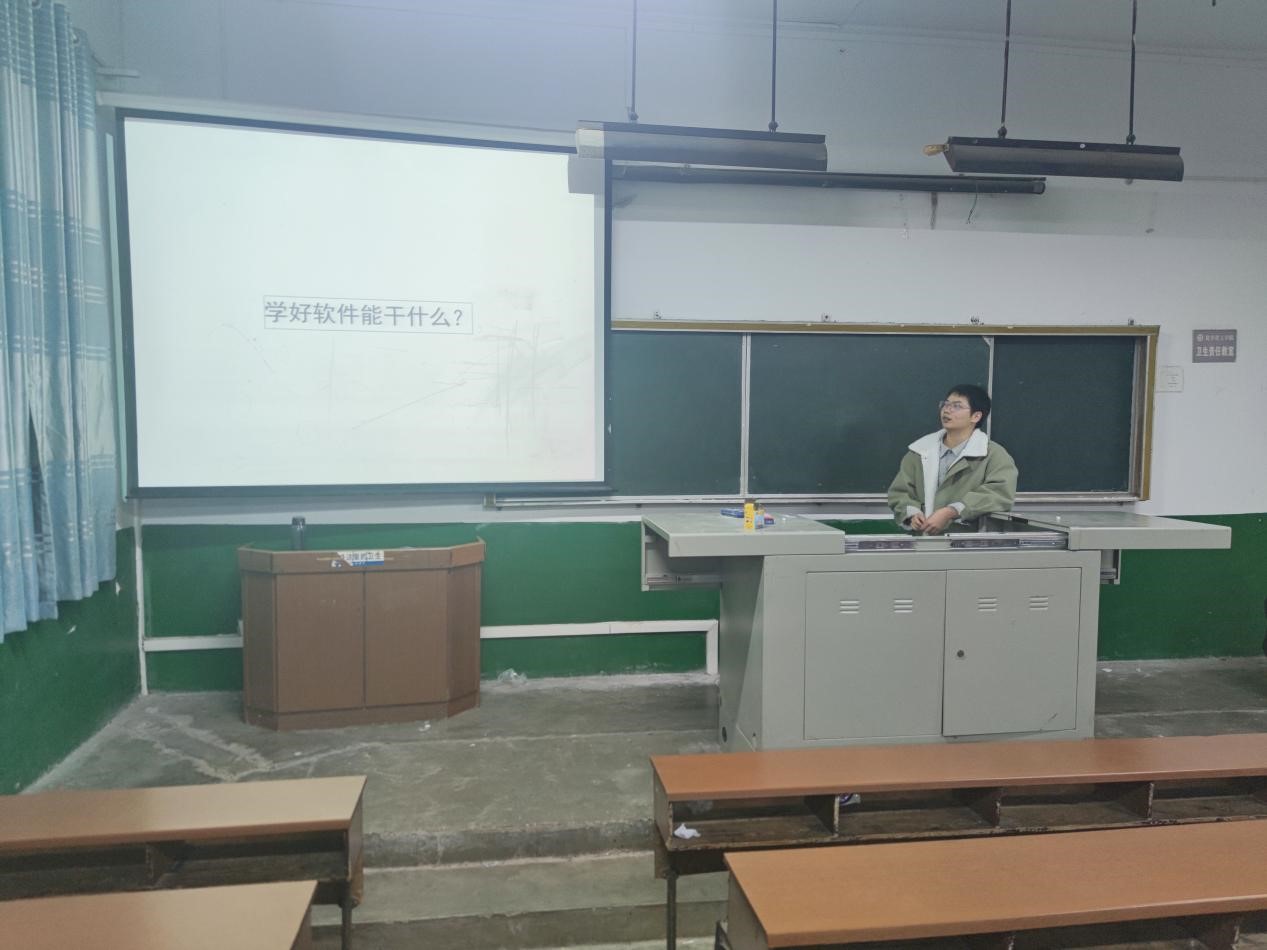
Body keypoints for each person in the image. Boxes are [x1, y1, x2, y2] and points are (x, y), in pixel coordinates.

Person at [887, 384, 1017, 535]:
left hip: (968, 542)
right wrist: (912, 514)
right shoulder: (920, 451)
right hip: (922, 541)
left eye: (957, 406)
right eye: (946, 404)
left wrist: (952, 511)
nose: (947, 410)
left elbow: (999, 495)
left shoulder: (993, 455)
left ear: (976, 416)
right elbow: (900, 492)